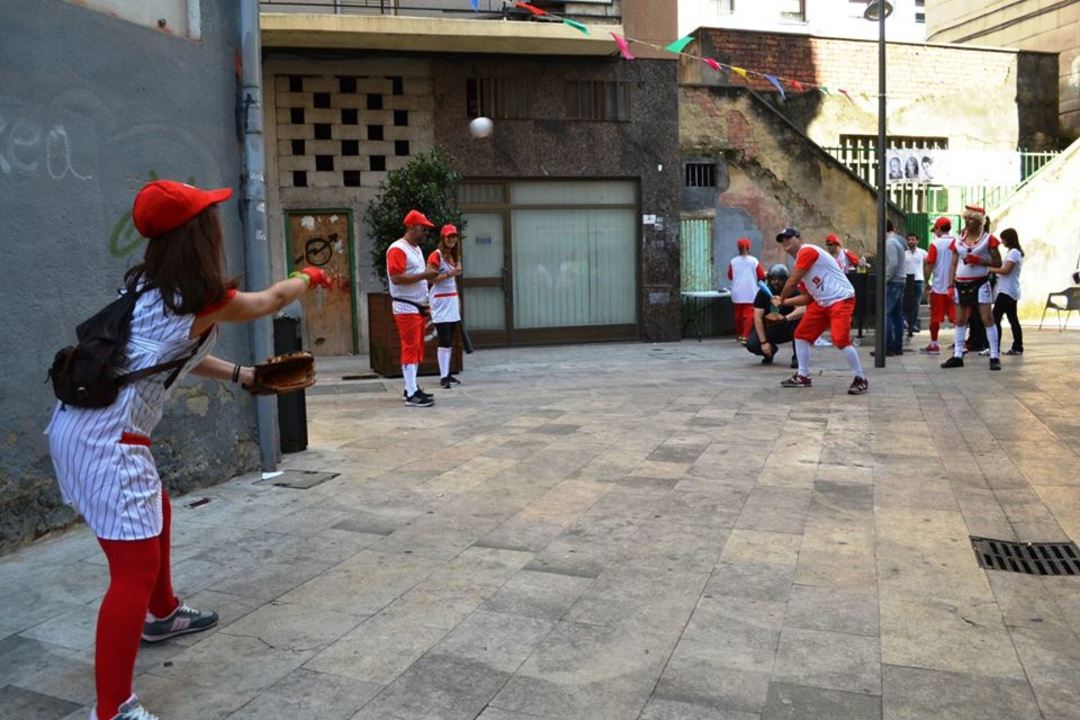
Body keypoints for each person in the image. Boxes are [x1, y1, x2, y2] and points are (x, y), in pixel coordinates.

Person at [46, 180, 331, 720]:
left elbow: (172, 355)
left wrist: (242, 375)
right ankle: (113, 708)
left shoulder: (152, 291)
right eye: (209, 216)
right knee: (132, 570)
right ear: (199, 234)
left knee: (157, 509)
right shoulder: (198, 298)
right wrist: (306, 276)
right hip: (107, 440)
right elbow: (269, 302)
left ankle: (163, 614)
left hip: (82, 428)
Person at [772, 227, 869, 395]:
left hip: (841, 298)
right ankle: (803, 376)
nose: (784, 241)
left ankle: (860, 378)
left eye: (788, 237)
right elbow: (807, 298)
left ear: (798, 238)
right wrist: (784, 301)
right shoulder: (798, 263)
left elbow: (791, 283)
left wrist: (780, 300)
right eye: (781, 239)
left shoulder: (807, 251)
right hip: (821, 301)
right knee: (801, 335)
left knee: (840, 339)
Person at [941, 205, 1003, 371]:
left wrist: (980, 260)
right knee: (960, 320)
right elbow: (953, 263)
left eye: (972, 219)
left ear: (979, 222)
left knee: (987, 319)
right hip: (960, 283)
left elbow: (998, 262)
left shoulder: (988, 239)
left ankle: (994, 356)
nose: (968, 221)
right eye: (966, 218)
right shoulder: (958, 240)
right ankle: (958, 355)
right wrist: (950, 285)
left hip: (980, 282)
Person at [388, 209, 440, 406]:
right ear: (411, 227)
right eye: (423, 229)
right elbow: (396, 278)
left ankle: (411, 387)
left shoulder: (415, 249)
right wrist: (425, 275)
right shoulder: (398, 249)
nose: (425, 233)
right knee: (410, 347)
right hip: (406, 306)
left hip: (415, 305)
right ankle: (411, 393)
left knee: (416, 348)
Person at [746, 263, 804, 368]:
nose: (775, 282)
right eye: (773, 279)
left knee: (800, 323)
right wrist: (763, 342)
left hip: (787, 325)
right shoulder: (763, 293)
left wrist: (786, 318)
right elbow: (757, 317)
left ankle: (798, 357)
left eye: (779, 279)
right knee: (752, 344)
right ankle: (770, 351)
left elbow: (802, 309)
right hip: (770, 327)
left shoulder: (792, 291)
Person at [428, 223, 464, 388]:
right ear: (443, 238)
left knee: (450, 338)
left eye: (454, 236)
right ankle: (443, 376)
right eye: (449, 236)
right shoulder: (436, 255)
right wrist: (450, 273)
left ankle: (447, 374)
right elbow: (430, 277)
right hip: (440, 301)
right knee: (445, 338)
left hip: (451, 300)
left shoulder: (453, 255)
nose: (452, 239)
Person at [921, 217, 955, 354]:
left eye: (935, 229)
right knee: (957, 316)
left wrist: (926, 282)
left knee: (935, 317)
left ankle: (934, 344)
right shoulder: (957, 242)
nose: (935, 232)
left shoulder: (935, 243)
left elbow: (930, 264)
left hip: (939, 286)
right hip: (954, 286)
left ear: (939, 228)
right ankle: (960, 343)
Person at [988, 227, 1024, 355]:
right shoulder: (1013, 252)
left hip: (1007, 291)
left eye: (1003, 239)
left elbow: (1006, 270)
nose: (1002, 241)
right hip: (1010, 290)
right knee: (1013, 319)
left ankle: (994, 347)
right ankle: (1017, 346)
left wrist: (990, 269)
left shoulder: (1014, 252)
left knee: (995, 318)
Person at [727, 237, 766, 342]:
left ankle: (739, 335)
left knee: (738, 316)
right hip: (750, 291)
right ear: (749, 247)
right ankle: (746, 335)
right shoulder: (753, 261)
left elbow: (730, 276)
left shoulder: (733, 261)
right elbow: (761, 276)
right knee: (748, 315)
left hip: (737, 292)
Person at [881, 219, 907, 356]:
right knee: (897, 315)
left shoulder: (890, 242)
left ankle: (888, 347)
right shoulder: (898, 241)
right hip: (900, 280)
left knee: (887, 314)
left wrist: (885, 279)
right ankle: (898, 347)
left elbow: (893, 263)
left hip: (893, 281)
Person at [903, 233, 928, 338]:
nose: (911, 242)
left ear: (917, 241)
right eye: (909, 240)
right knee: (905, 303)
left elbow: (928, 264)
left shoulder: (923, 253)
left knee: (916, 304)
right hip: (906, 280)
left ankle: (912, 325)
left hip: (918, 280)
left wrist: (926, 279)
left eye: (913, 239)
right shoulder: (904, 254)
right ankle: (906, 323)